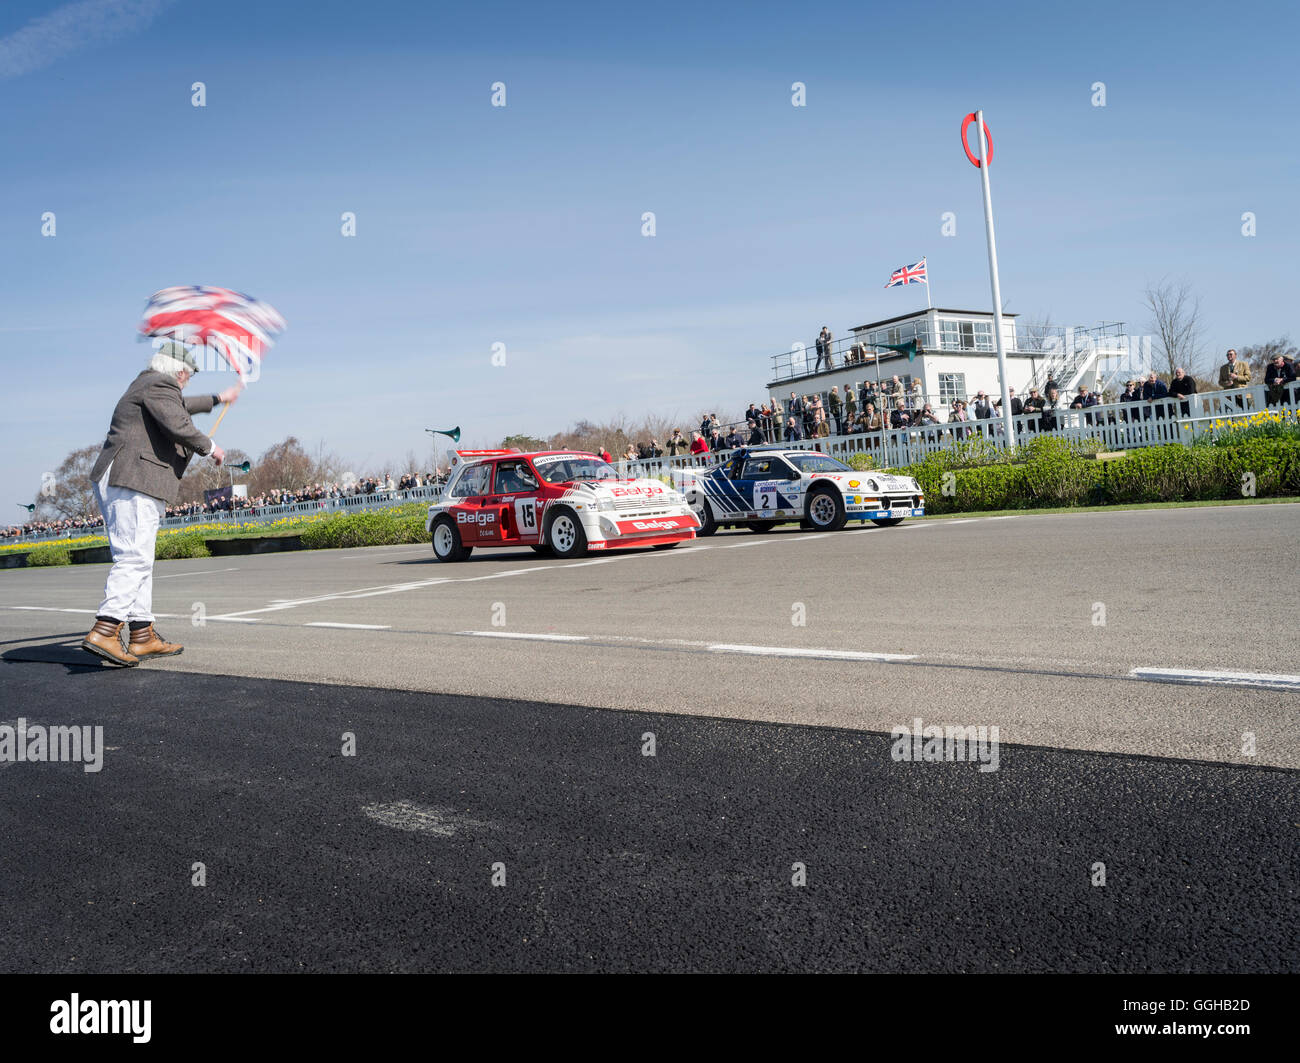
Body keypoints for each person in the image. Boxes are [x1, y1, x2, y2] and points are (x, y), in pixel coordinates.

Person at [81, 341, 239, 666]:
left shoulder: (150, 384)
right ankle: (106, 629)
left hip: (129, 478)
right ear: (179, 372)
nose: (186, 383)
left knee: (140, 559)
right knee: (135, 558)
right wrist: (211, 448)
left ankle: (141, 634)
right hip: (133, 477)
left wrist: (218, 399)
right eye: (188, 377)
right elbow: (177, 420)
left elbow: (180, 405)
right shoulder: (158, 383)